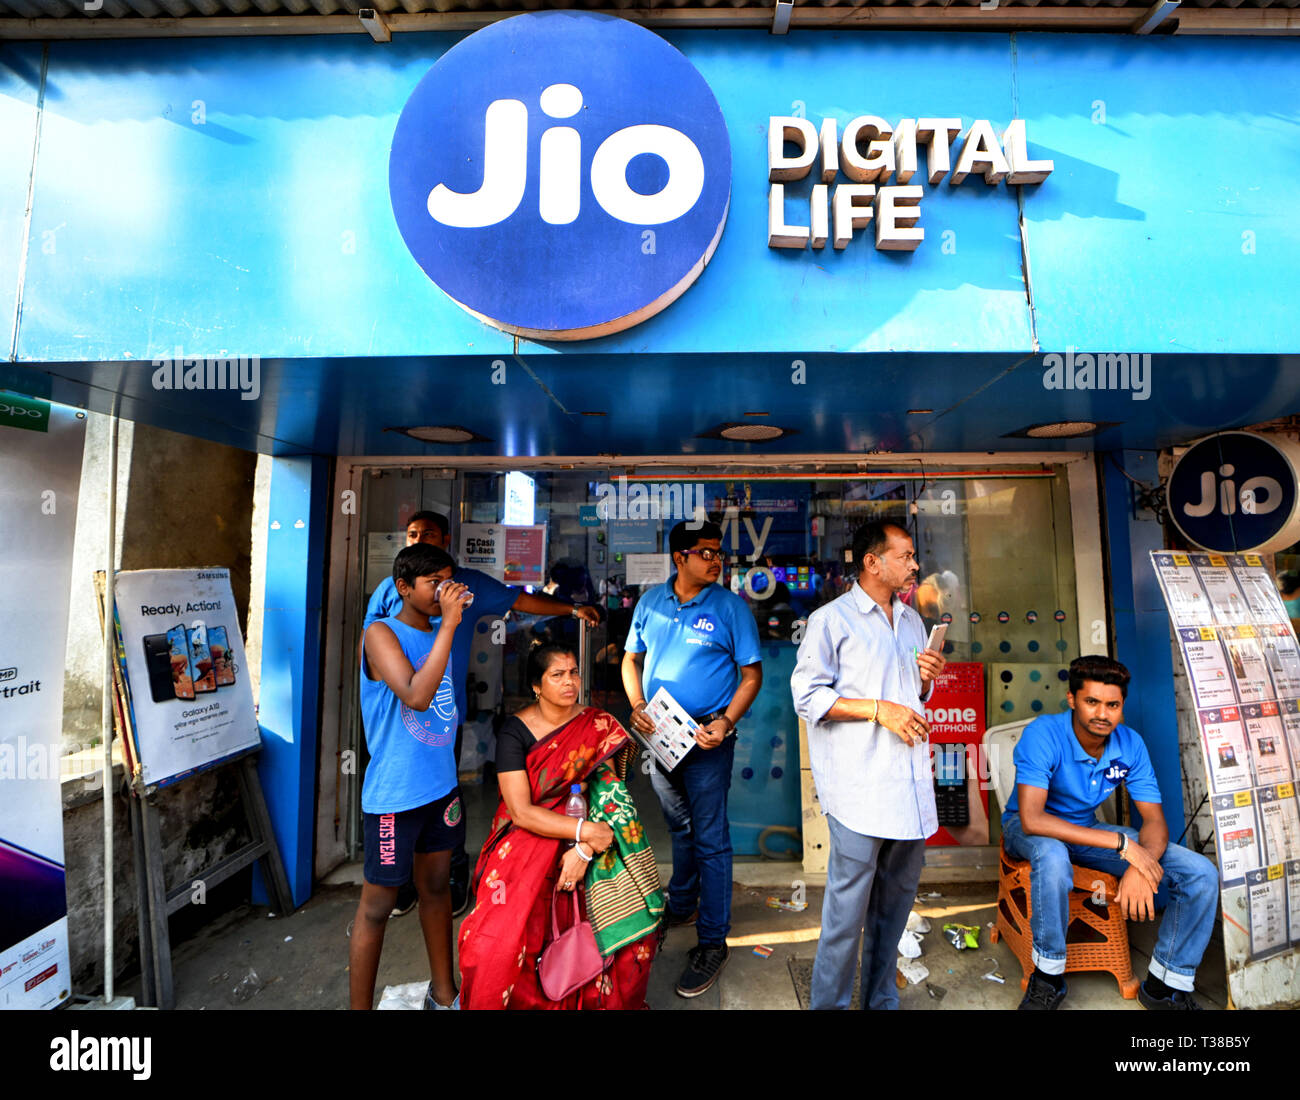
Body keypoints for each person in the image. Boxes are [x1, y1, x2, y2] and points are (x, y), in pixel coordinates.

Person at [364, 510, 601, 917]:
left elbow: (518, 599)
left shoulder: (466, 587)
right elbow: (378, 660)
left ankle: (451, 878)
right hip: (396, 726)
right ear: (404, 586)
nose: (420, 539)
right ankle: (396, 881)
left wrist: (571, 610)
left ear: (447, 539)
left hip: (441, 722)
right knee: (398, 804)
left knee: (445, 800)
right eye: (413, 533)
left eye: (429, 534)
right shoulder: (389, 595)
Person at [1002, 654, 1218, 1011]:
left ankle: (1165, 984)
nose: (1103, 714)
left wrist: (1139, 864)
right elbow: (1032, 820)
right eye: (1092, 702)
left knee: (1200, 873)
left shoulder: (1129, 744)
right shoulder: (1044, 733)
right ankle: (1048, 977)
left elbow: (1153, 820)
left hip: (1086, 831)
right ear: (1072, 700)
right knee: (1053, 855)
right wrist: (1122, 845)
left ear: (1122, 706)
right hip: (1030, 833)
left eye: (1113, 705)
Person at [790, 519, 946, 1010]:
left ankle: (880, 1000)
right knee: (845, 916)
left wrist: (926, 680)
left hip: (910, 787)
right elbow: (807, 695)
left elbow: (912, 696)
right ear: (872, 562)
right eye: (905, 555)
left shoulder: (913, 621)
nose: (915, 565)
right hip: (860, 790)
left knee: (893, 912)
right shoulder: (831, 620)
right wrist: (879, 709)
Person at [457, 643, 664, 1009]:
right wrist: (583, 835)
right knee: (497, 942)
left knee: (631, 934)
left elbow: (613, 800)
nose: (569, 682)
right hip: (528, 834)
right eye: (557, 675)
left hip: (592, 828)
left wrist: (584, 848)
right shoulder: (515, 731)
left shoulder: (596, 725)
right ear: (536, 685)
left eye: (573, 673)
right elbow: (520, 811)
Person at [621, 519, 763, 998]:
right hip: (661, 734)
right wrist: (637, 705)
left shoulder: (730, 608)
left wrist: (725, 722)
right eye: (705, 552)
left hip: (706, 737)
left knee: (711, 839)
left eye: (719, 552)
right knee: (678, 828)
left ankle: (712, 941)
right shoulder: (650, 603)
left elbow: (751, 675)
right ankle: (680, 904)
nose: (716, 560)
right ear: (679, 557)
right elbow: (630, 659)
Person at [349, 543, 470, 1010]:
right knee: (378, 907)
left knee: (437, 889)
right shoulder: (379, 634)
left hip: (440, 790)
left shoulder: (442, 629)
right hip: (395, 796)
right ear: (404, 588)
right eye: (433, 583)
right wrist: (451, 626)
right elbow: (418, 697)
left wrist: (448, 624)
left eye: (448, 580)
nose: (444, 592)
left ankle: (445, 993)